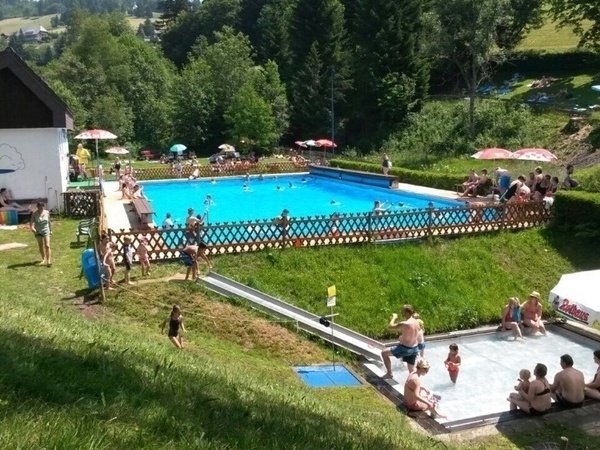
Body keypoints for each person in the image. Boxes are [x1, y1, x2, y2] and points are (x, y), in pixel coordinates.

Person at [381, 305, 421, 378]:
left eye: (403, 312)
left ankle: (389, 373)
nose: (403, 314)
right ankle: (414, 382)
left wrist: (394, 317)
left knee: (384, 353)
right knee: (411, 370)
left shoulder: (405, 323)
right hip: (415, 348)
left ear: (407, 312)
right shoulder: (417, 322)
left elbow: (390, 326)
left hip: (405, 348)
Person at [29, 202, 52, 266]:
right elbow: (31, 223)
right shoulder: (34, 213)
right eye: (39, 208)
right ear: (37, 207)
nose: (40, 209)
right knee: (40, 245)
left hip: (46, 230)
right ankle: (43, 259)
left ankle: (49, 261)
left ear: (43, 207)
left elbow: (49, 222)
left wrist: (51, 230)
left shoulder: (47, 212)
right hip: (38, 231)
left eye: (41, 208)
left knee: (47, 245)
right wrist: (32, 228)